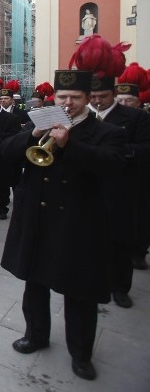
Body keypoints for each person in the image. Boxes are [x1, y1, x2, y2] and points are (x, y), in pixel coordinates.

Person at [1, 68, 125, 381]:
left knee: (79, 291)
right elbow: (5, 152)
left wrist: (69, 144)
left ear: (87, 100)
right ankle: (36, 334)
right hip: (38, 218)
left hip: (78, 223)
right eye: (62, 97)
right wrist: (32, 135)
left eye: (75, 97)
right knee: (35, 281)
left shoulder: (105, 131)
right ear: (54, 98)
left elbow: (110, 167)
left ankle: (81, 353)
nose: (68, 103)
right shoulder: (39, 122)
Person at [89, 75, 150, 308]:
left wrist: (117, 150)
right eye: (92, 97)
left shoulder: (136, 117)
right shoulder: (85, 117)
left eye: (102, 96)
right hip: (90, 187)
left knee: (120, 240)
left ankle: (120, 287)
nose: (97, 101)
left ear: (112, 95)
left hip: (121, 187)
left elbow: (146, 149)